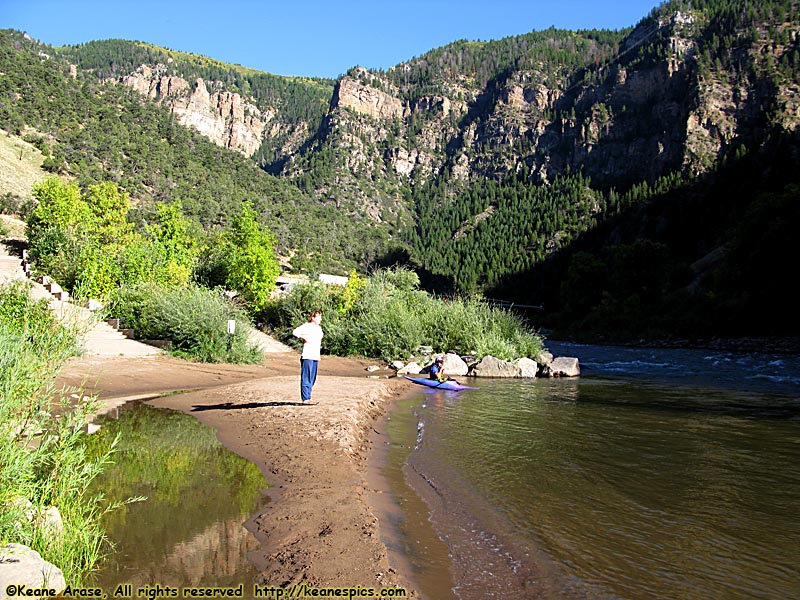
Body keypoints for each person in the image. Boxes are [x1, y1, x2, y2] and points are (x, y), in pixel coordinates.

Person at [292, 310, 323, 405]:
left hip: (315, 355)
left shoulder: (319, 328)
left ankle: (308, 396)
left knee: (312, 377)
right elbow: (295, 332)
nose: (320, 319)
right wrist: (303, 337)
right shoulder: (307, 326)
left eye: (320, 317)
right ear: (313, 318)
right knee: (306, 376)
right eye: (318, 317)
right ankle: (305, 398)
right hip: (307, 354)